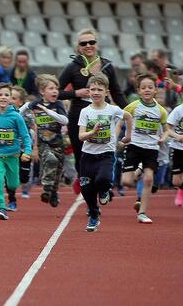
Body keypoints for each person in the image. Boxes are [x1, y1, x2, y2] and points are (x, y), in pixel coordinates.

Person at [59, 29, 127, 192]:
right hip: (80, 114)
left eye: (91, 42)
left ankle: (103, 184)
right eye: (84, 43)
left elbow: (117, 92)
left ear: (97, 44)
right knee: (80, 153)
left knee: (105, 150)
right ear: (78, 47)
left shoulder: (107, 66)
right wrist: (75, 93)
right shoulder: (72, 67)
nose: (88, 46)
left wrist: (130, 110)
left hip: (104, 114)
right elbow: (57, 91)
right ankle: (87, 189)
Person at [78, 73, 133, 232]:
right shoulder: (85, 112)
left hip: (106, 154)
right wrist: (91, 133)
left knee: (103, 178)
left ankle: (104, 190)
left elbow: (128, 117)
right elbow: (81, 136)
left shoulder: (113, 110)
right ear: (88, 91)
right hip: (87, 155)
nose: (95, 92)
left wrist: (127, 136)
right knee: (86, 190)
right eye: (93, 89)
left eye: (99, 89)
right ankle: (94, 216)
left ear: (106, 92)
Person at [121, 73, 168, 224]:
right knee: (127, 182)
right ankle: (137, 170)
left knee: (149, 179)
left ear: (155, 90)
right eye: (143, 88)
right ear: (138, 91)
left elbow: (166, 129)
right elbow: (120, 119)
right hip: (134, 146)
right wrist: (123, 137)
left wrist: (163, 137)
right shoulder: (133, 106)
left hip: (151, 149)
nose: (147, 90)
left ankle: (142, 212)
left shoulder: (161, 111)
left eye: (150, 87)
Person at [0, 82, 32, 221]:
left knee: (13, 184)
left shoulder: (16, 117)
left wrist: (27, 151)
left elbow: (25, 136)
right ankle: (1, 208)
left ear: (10, 99)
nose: (3, 97)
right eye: (0, 95)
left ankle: (10, 189)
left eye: (6, 95)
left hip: (13, 155)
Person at [20, 75, 68, 207]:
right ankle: (46, 189)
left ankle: (53, 192)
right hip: (42, 143)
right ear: (42, 92)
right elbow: (25, 106)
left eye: (56, 88)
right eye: (51, 88)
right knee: (50, 160)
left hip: (57, 143)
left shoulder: (58, 104)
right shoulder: (36, 104)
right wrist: (15, 116)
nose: (55, 91)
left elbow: (65, 121)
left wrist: (48, 111)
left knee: (57, 173)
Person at [164, 101, 183, 206]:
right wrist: (177, 136)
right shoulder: (178, 110)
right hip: (178, 148)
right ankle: (181, 190)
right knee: (176, 181)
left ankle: (181, 195)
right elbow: (167, 129)